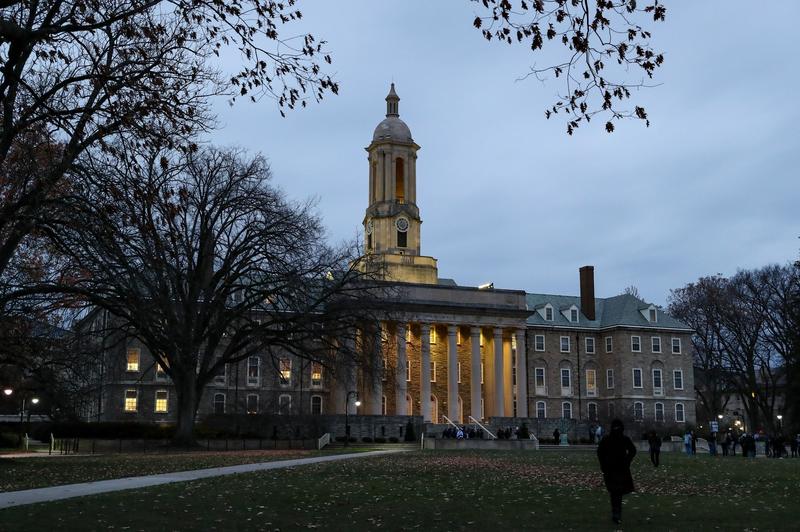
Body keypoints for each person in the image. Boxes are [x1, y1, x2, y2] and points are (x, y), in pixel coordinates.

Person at [597, 419, 637, 525]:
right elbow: (600, 452)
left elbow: (632, 450)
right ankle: (616, 512)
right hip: (613, 468)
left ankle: (616, 513)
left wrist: (627, 460)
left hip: (619, 468)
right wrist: (603, 464)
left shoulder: (620, 439)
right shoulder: (609, 440)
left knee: (616, 492)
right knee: (615, 492)